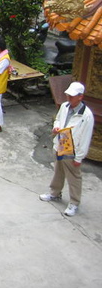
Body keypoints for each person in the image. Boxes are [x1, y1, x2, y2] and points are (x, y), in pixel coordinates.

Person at [39, 82, 94, 217]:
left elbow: (86, 138)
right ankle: (55, 193)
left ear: (80, 97)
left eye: (72, 96)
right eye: (68, 95)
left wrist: (79, 157)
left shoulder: (86, 116)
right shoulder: (64, 106)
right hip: (60, 145)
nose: (69, 98)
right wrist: (56, 127)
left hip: (72, 149)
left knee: (74, 177)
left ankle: (74, 202)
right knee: (58, 171)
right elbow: (58, 119)